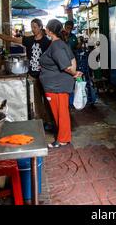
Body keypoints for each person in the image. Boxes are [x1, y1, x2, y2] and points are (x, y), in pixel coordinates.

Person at [0, 19, 52, 123]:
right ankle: (42, 122)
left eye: (35, 27)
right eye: (32, 27)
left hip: (45, 76)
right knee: (37, 101)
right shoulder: (29, 40)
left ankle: (50, 121)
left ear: (40, 27)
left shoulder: (47, 42)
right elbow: (10, 39)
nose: (33, 29)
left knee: (48, 101)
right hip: (32, 76)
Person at [40, 19, 82, 148]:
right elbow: (72, 59)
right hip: (57, 85)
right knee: (61, 112)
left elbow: (66, 66)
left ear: (50, 31)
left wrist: (73, 73)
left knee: (61, 113)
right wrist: (74, 72)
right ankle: (63, 137)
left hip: (56, 86)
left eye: (46, 28)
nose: (45, 30)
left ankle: (63, 139)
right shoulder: (61, 43)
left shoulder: (56, 46)